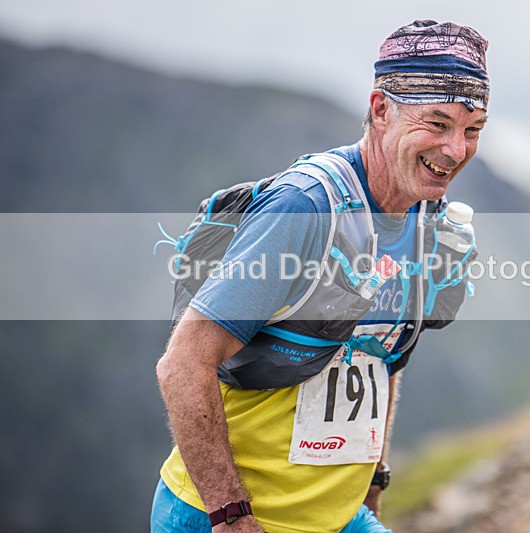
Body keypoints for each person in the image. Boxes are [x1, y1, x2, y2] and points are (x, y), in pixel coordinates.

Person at [151, 19, 490, 533]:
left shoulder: (425, 214)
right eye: (437, 124)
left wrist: (374, 482)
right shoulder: (305, 209)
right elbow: (182, 364)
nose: (456, 150)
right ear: (380, 110)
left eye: (473, 129)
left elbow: (383, 351)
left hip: (338, 517)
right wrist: (231, 516)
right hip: (228, 517)